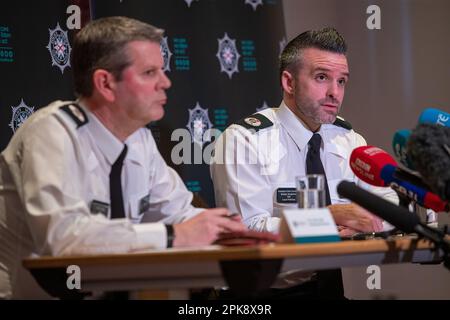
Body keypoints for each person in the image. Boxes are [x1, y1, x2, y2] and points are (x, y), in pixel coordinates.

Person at [0, 16, 246, 299]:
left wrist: (223, 228)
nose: (165, 82)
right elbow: (62, 239)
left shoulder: (139, 137)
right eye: (150, 73)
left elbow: (178, 211)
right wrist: (172, 236)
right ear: (105, 83)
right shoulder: (51, 132)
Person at [210, 27, 397, 298]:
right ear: (289, 82)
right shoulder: (244, 140)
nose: (335, 92)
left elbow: (388, 202)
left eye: (342, 81)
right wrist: (326, 219)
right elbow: (247, 231)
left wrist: (370, 218)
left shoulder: (349, 139)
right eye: (322, 78)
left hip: (330, 290)